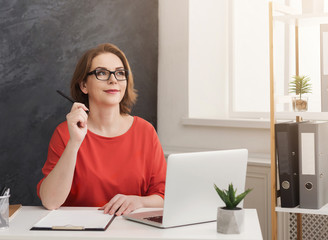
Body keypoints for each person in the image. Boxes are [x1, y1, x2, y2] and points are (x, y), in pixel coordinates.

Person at [37, 43, 167, 216]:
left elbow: (164, 196)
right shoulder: (65, 133)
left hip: (132, 230)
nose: (113, 80)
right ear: (84, 85)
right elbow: (50, 201)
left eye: (120, 73)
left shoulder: (145, 131)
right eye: (102, 73)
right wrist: (74, 143)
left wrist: (140, 201)